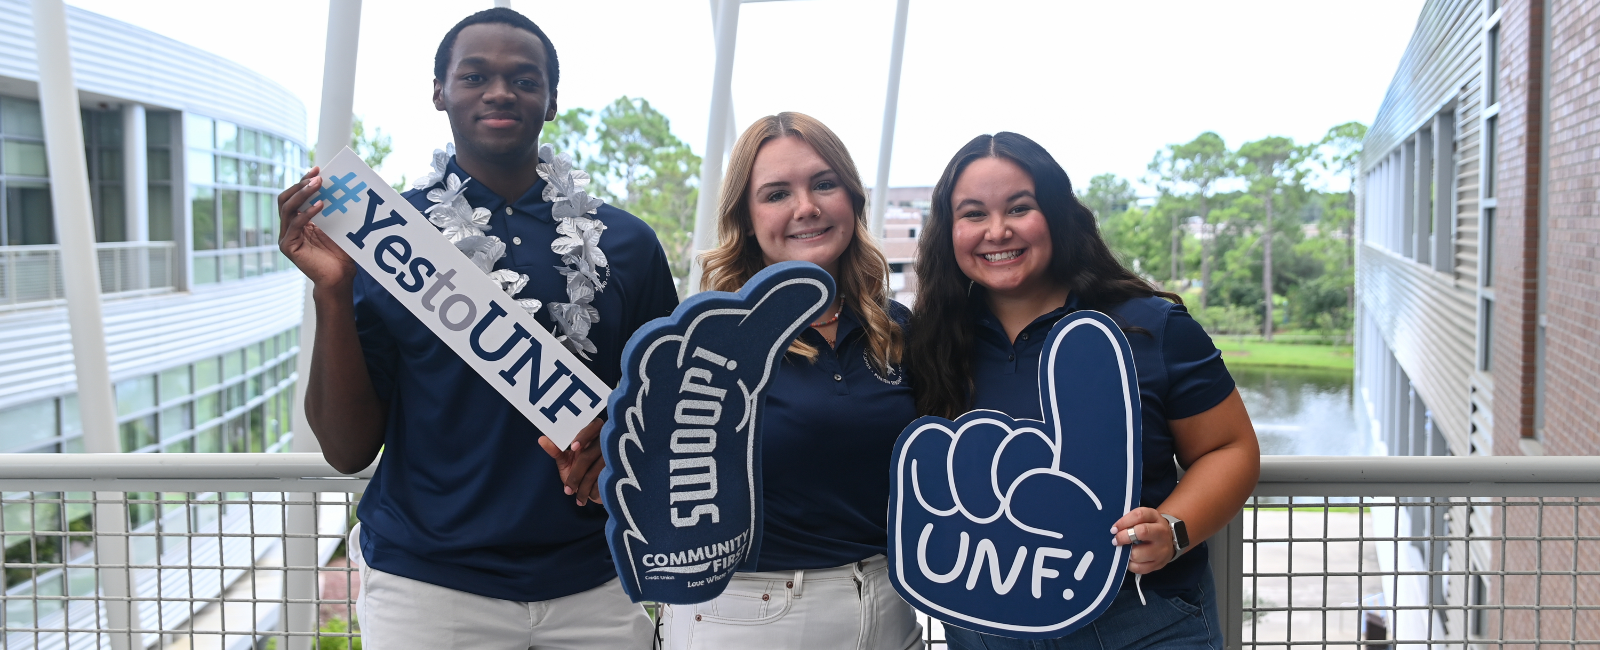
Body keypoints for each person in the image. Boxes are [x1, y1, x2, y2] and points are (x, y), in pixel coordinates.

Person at [275, 8, 676, 649]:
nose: (499, 91)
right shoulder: (383, 243)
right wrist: (332, 291)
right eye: (474, 75)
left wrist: (621, 442)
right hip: (429, 588)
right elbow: (347, 450)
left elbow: (667, 410)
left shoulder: (627, 243)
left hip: (598, 581)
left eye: (524, 79)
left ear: (550, 101)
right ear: (439, 92)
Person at [907, 132, 1260, 650]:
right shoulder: (928, 344)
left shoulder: (1150, 326)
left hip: (1142, 622)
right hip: (986, 626)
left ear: (1056, 214)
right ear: (948, 230)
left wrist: (1173, 529)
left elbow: (1231, 448)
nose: (997, 230)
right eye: (973, 214)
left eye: (1019, 208)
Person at [658, 112, 924, 649]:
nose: (807, 207)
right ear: (747, 218)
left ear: (851, 198)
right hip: (753, 617)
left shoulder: (895, 329)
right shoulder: (707, 344)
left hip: (891, 608)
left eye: (824, 184)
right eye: (777, 193)